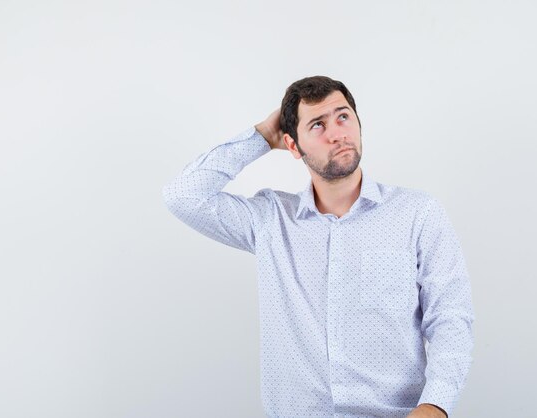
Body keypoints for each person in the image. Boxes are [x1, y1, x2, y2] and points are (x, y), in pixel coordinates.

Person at [163, 76, 474, 418]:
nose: (337, 133)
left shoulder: (417, 213)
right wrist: (263, 138)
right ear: (294, 147)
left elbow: (450, 318)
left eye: (343, 117)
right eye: (317, 125)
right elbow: (183, 196)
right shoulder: (270, 220)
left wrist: (435, 405)